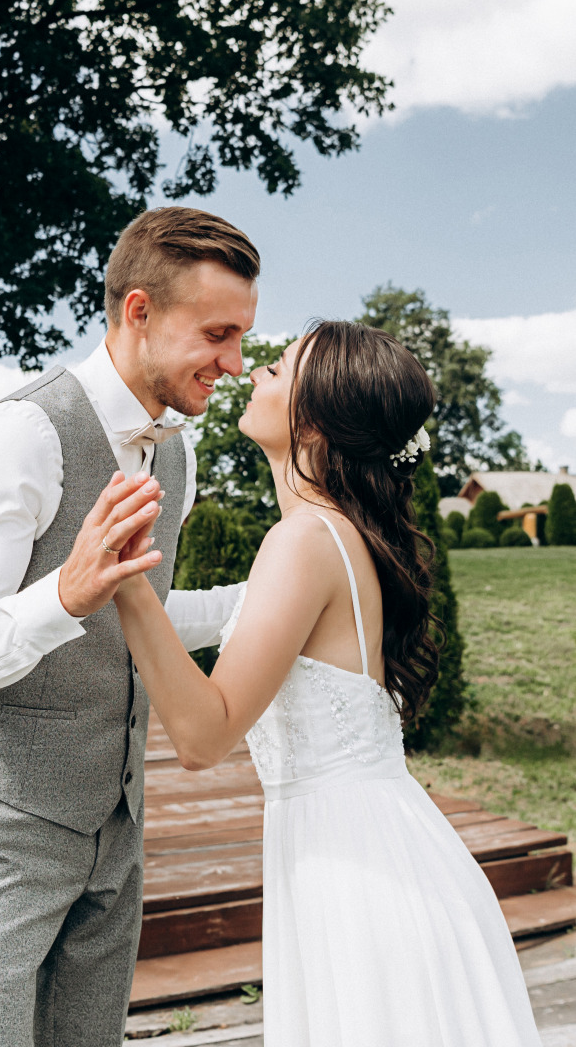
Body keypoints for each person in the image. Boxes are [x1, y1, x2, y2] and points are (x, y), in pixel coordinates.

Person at [110, 320, 542, 1047]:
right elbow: (202, 617)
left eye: (275, 369)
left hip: (361, 874)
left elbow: (203, 736)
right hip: (363, 849)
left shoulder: (306, 541)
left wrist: (122, 580)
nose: (252, 374)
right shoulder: (329, 535)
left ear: (315, 413)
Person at [0, 205, 257, 1047]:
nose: (236, 363)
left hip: (118, 826)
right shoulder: (22, 434)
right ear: (138, 312)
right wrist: (62, 595)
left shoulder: (175, 449)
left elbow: (134, 619)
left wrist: (276, 596)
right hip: (0, 827)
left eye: (243, 337)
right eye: (217, 334)